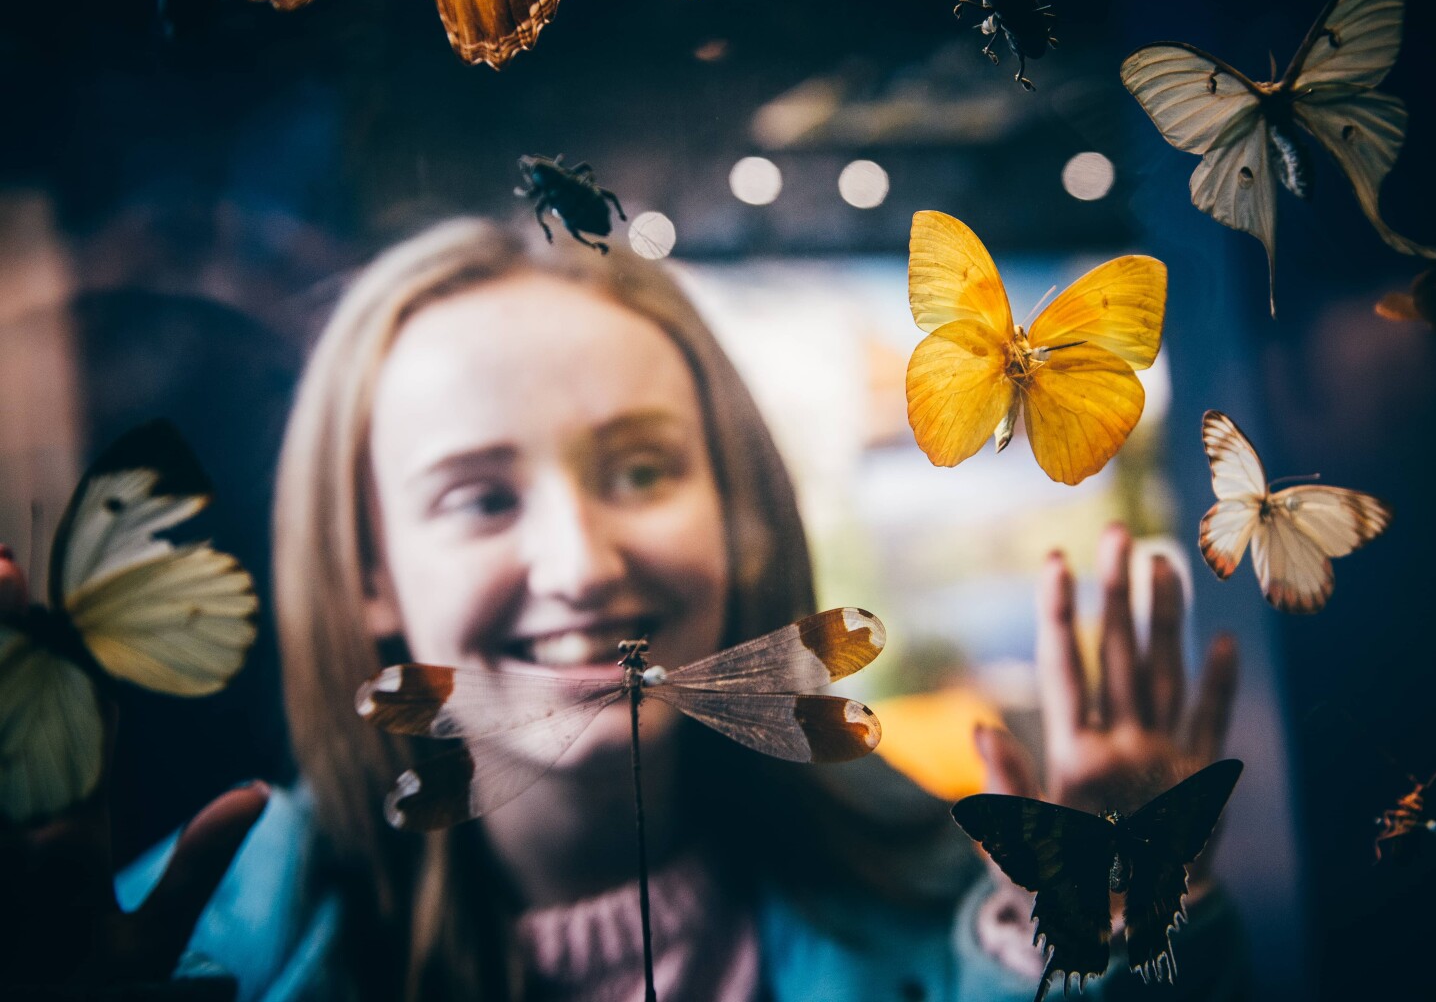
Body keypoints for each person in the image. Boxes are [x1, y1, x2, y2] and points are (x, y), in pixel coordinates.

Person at [3, 218, 1244, 1000]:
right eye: (480, 497)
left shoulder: (957, 904)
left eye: (642, 468)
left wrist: (1124, 948)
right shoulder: (195, 935)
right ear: (368, 568)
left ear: (738, 503)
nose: (582, 563)